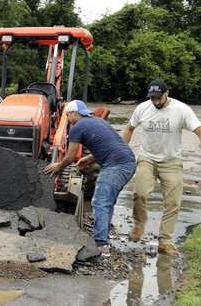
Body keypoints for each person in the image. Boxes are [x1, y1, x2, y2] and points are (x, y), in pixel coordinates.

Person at [121, 80, 201, 256]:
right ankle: (139, 226)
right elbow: (129, 128)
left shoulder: (182, 110)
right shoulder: (143, 108)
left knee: (173, 203)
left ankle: (165, 242)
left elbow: (200, 131)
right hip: (147, 158)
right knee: (140, 194)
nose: (155, 101)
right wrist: (120, 151)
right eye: (152, 98)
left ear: (167, 93)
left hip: (171, 161)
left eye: (158, 98)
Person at [43, 100, 136, 256]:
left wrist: (58, 166)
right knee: (107, 202)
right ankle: (103, 238)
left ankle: (101, 245)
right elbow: (108, 144)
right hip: (129, 163)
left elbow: (70, 156)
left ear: (75, 113)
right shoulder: (99, 121)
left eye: (68, 115)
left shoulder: (77, 127)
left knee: (100, 201)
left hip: (116, 165)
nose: (67, 119)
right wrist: (90, 158)